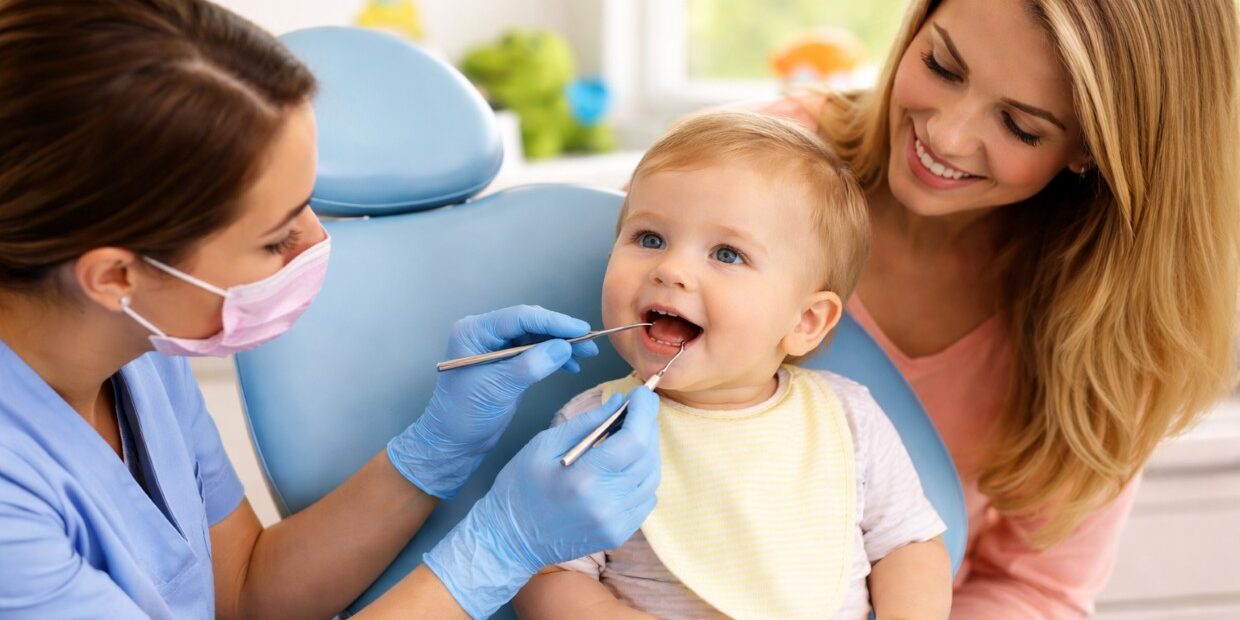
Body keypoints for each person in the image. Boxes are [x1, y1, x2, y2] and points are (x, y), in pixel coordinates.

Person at [0, 1, 661, 618]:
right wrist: (497, 550)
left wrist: (437, 448)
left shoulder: (137, 350)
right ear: (116, 275)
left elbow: (240, 589)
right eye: (275, 236)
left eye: (310, 202)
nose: (319, 242)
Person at [752, 0, 1240, 616]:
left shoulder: (1106, 330)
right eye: (942, 65)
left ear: (1093, 149)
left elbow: (1035, 588)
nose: (946, 135)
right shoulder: (763, 163)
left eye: (1021, 127)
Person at [514, 111, 952, 620]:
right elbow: (549, 575)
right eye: (650, 238)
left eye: (726, 254)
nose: (671, 270)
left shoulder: (847, 418)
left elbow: (909, 545)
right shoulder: (593, 430)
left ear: (807, 320)